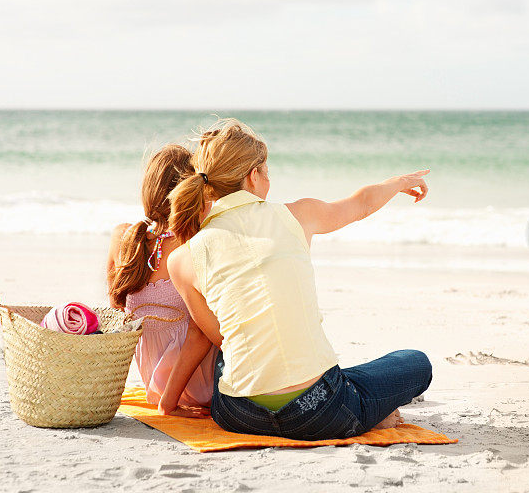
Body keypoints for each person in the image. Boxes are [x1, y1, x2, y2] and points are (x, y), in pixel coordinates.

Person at [159, 118, 432, 439]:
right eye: (267, 172)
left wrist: (169, 400)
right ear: (253, 175)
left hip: (239, 414)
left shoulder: (181, 259)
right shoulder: (297, 215)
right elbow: (361, 204)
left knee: (233, 346)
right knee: (415, 362)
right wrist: (399, 182)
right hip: (319, 411)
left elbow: (218, 337)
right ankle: (367, 411)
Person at [106, 144, 218, 417]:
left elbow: (115, 304)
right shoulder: (195, 243)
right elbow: (200, 333)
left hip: (152, 379)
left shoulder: (125, 237)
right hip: (198, 386)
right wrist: (168, 405)